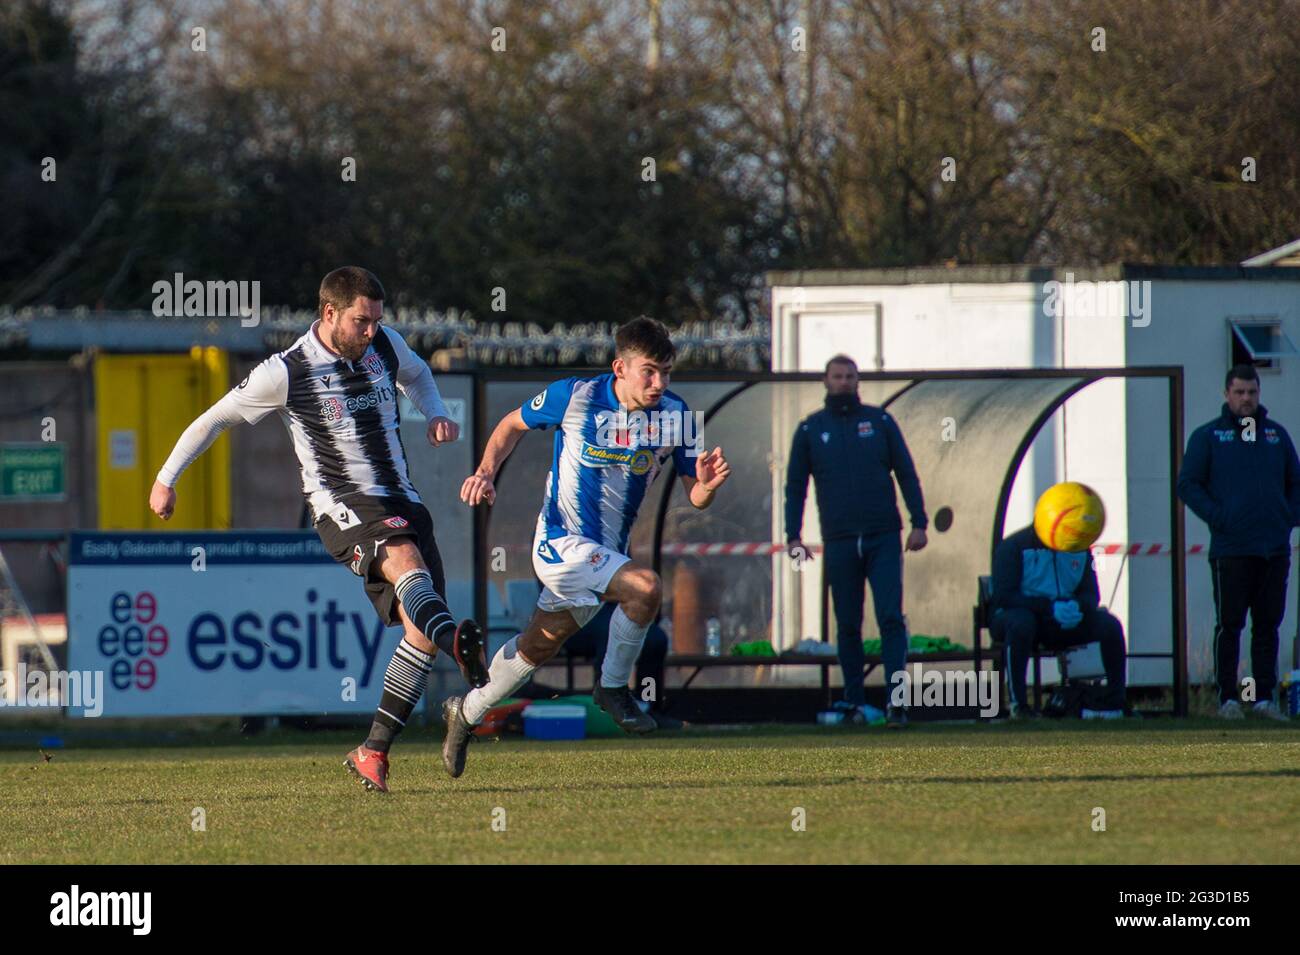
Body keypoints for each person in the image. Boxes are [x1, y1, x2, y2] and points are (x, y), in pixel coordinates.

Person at [149, 266, 488, 794]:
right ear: (329, 313)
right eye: (361, 321)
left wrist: (437, 413)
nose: (371, 330)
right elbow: (214, 418)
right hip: (343, 506)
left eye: (377, 320)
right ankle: (459, 646)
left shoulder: (386, 345)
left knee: (417, 627)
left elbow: (418, 377)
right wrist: (166, 479)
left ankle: (372, 750)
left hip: (403, 497)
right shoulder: (285, 372)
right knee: (405, 565)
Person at [446, 316, 730, 777]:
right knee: (645, 588)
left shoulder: (678, 417)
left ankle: (466, 713)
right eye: (650, 371)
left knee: (536, 648)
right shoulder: (575, 396)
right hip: (559, 544)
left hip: (601, 560)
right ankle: (613, 689)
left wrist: (708, 486)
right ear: (620, 367)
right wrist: (484, 472)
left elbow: (695, 497)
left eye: (667, 372)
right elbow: (510, 425)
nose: (660, 383)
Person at [783, 355, 927, 728]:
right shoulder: (810, 429)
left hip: (883, 536)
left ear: (857, 380)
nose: (844, 382)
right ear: (826, 381)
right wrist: (793, 535)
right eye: (837, 376)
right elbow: (795, 486)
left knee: (891, 618)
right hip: (840, 539)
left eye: (850, 376)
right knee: (847, 623)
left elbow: (907, 473)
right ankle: (855, 703)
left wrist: (919, 522)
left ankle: (898, 704)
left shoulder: (879, 421)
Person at [1177, 364, 1299, 720]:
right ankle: (1227, 699)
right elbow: (1188, 484)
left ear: (1259, 394)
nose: (1246, 399)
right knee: (1230, 625)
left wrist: (1287, 517)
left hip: (1273, 549)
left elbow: (1296, 480)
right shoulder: (1209, 437)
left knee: (1268, 626)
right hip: (1231, 550)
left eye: (1252, 392)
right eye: (1240, 393)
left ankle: (1263, 699)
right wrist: (1220, 517)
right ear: (1226, 394)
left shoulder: (1276, 435)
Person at [991, 524, 1127, 718]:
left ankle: (1115, 701)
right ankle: (1018, 705)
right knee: (1021, 622)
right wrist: (1048, 607)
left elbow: (1091, 594)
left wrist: (1077, 606)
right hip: (1025, 617)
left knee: (1109, 625)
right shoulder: (1014, 546)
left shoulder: (1078, 547)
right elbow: (1005, 596)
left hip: (1062, 621)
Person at [562, 604, 680, 729]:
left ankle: (648, 704)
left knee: (656, 639)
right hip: (575, 611)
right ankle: (606, 711)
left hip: (619, 607)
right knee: (609, 632)